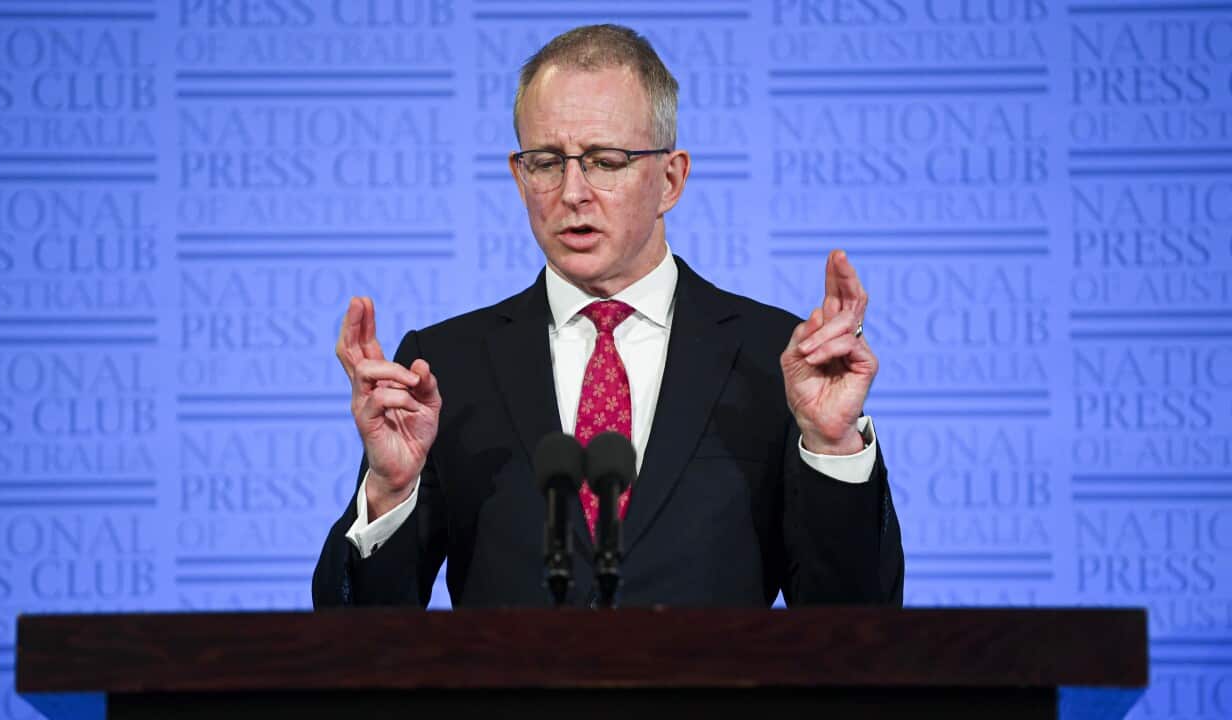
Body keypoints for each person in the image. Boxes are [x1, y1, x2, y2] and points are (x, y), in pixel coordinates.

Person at [312, 24, 903, 608]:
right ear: (520, 178)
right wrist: (391, 492)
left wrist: (832, 446)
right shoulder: (444, 368)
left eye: (605, 160)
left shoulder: (776, 360)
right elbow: (359, 641)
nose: (572, 191)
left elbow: (857, 628)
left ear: (670, 180)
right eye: (546, 161)